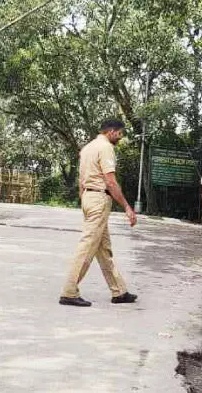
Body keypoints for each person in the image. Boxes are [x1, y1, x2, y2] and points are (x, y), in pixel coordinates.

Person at [60, 119, 138, 307]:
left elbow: (81, 179)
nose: (120, 138)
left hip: (89, 197)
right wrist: (127, 207)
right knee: (87, 246)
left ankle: (119, 291)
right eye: (120, 133)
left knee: (103, 249)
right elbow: (110, 181)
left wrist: (84, 201)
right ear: (111, 131)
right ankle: (69, 292)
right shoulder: (105, 148)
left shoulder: (87, 148)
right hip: (99, 199)